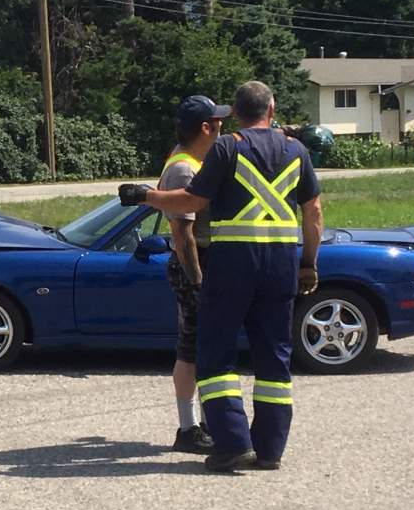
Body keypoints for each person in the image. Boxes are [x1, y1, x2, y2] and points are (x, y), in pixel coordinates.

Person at [119, 81, 323, 472]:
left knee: (215, 352)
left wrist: (146, 196)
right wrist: (308, 262)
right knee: (275, 358)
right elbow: (312, 212)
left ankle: (232, 443)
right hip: (281, 264)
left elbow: (192, 201)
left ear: (239, 113)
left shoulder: (228, 148)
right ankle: (270, 449)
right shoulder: (297, 151)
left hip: (233, 263)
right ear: (272, 108)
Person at [159, 95, 230, 455]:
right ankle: (188, 429)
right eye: (219, 122)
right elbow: (183, 235)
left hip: (199, 261)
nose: (223, 127)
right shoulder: (185, 169)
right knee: (191, 350)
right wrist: (197, 280)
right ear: (206, 128)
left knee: (199, 348)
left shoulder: (189, 159)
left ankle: (203, 422)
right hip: (193, 264)